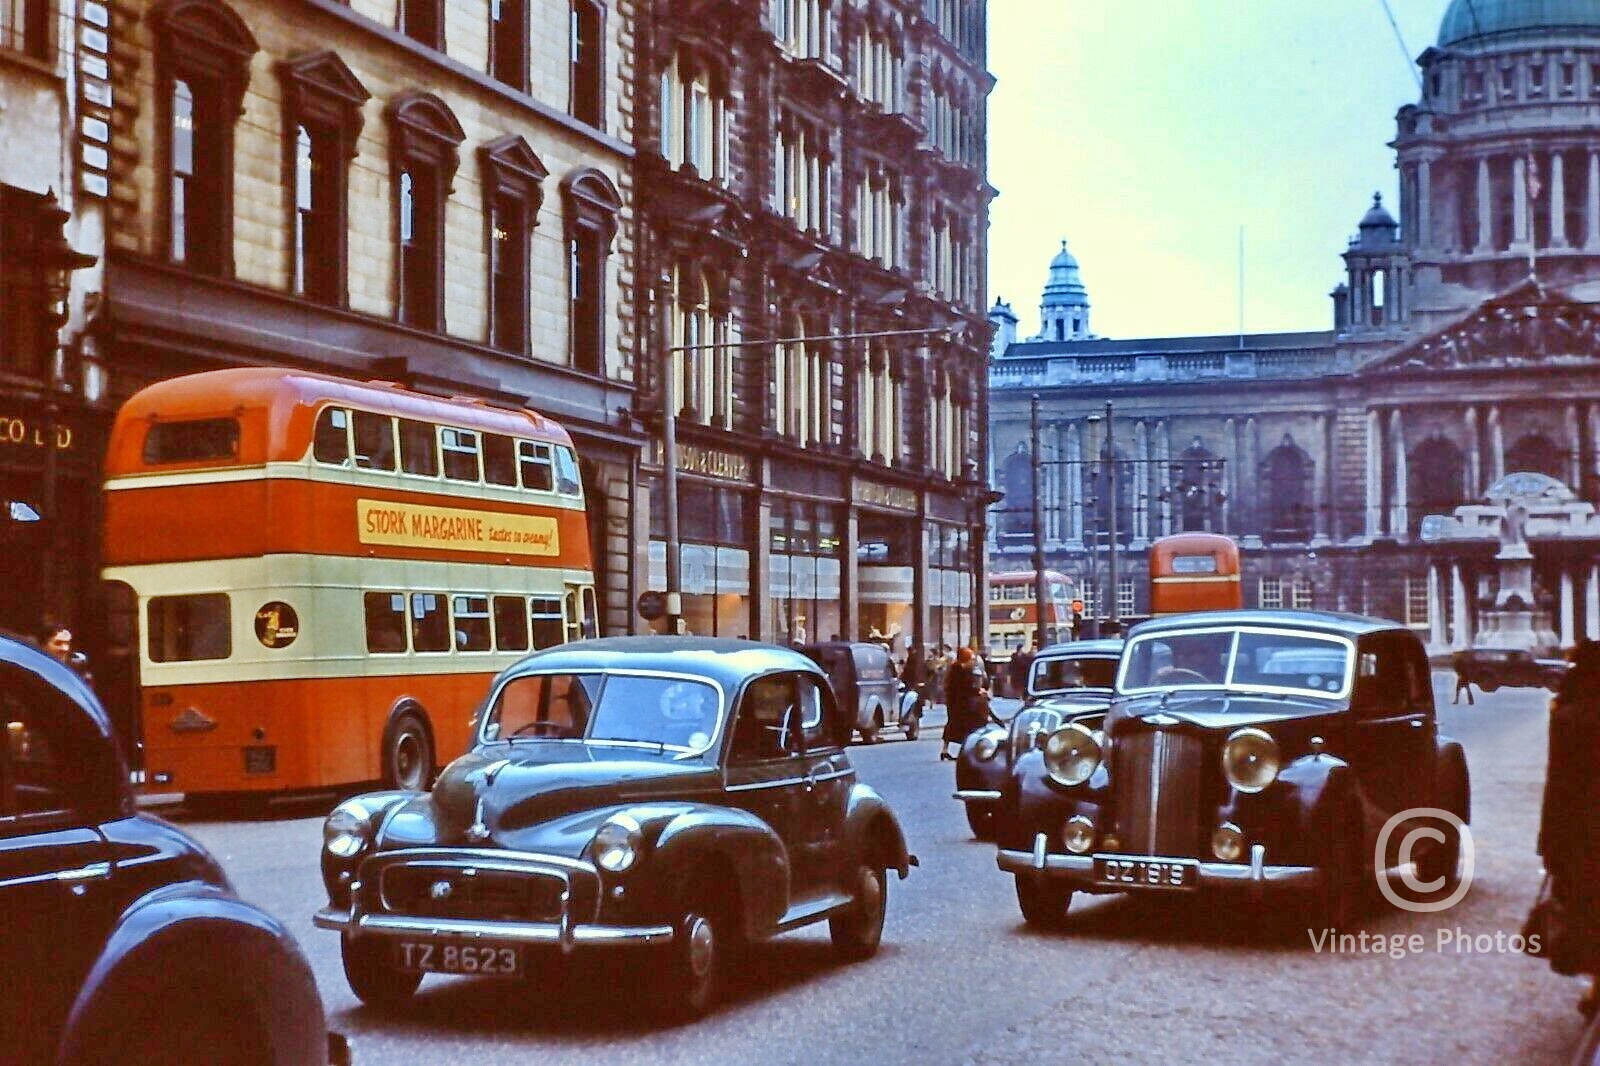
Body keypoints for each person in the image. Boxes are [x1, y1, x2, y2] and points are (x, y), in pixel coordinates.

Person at [1537, 640, 1600, 1014]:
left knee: (1588, 910)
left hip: (1583, 833)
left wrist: (1549, 844)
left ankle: (1596, 985)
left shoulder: (1568, 716)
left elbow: (1557, 785)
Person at [940, 646, 990, 761]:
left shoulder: (955, 668)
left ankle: (945, 750)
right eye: (970, 658)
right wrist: (978, 691)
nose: (972, 661)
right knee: (965, 726)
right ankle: (963, 751)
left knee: (952, 725)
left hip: (954, 702)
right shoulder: (960, 670)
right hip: (961, 703)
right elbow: (966, 686)